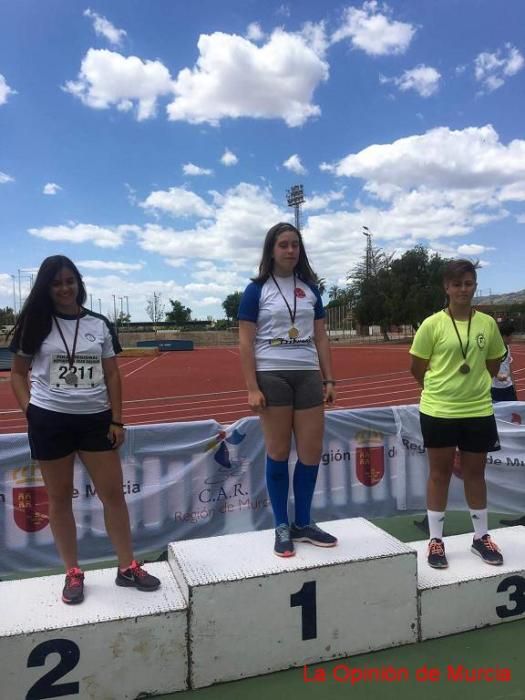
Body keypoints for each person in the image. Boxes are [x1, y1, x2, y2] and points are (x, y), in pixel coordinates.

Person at [9, 255, 160, 603]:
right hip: (50, 421)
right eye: (56, 283)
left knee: (113, 496)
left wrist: (116, 419)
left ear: (79, 283)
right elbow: (17, 373)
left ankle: (127, 566)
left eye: (70, 281)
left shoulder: (99, 324)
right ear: (47, 288)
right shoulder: (35, 322)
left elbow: (111, 375)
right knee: (60, 499)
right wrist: (30, 409)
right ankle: (73, 572)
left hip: (95, 420)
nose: (64, 288)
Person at [238, 222, 337, 557]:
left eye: (295, 244)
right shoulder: (257, 290)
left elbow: (321, 336)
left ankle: (303, 522)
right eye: (283, 245)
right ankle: (281, 525)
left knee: (310, 452)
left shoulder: (310, 289)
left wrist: (329, 378)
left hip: (308, 373)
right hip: (272, 374)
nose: (291, 250)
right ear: (271, 250)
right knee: (278, 451)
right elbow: (245, 341)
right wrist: (252, 387)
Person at [410, 259, 506, 569]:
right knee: (439, 475)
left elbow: (493, 363)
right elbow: (417, 368)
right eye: (457, 284)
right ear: (446, 287)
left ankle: (481, 537)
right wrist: (442, 390)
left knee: (475, 474)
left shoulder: (487, 324)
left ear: (474, 285)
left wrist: (473, 386)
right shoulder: (432, 324)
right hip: (439, 410)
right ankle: (435, 540)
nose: (463, 289)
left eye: (468, 283)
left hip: (478, 409)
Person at [491, 321, 518, 402]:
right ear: (504, 336)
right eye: (511, 335)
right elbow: (487, 367)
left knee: (513, 411)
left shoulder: (508, 347)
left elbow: (508, 366)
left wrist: (513, 384)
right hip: (495, 388)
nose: (512, 337)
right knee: (497, 413)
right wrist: (497, 375)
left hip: (508, 387)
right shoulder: (492, 349)